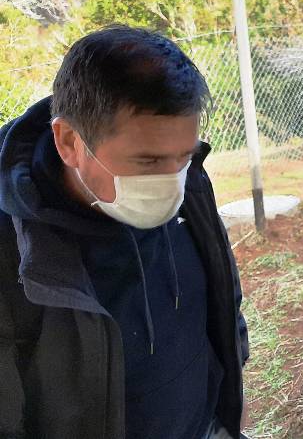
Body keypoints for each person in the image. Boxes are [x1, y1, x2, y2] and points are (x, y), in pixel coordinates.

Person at [0, 26, 250, 438]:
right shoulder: (13, 248)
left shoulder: (190, 182)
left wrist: (233, 396)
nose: (172, 184)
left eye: (183, 156)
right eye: (147, 162)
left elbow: (223, 288)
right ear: (68, 143)